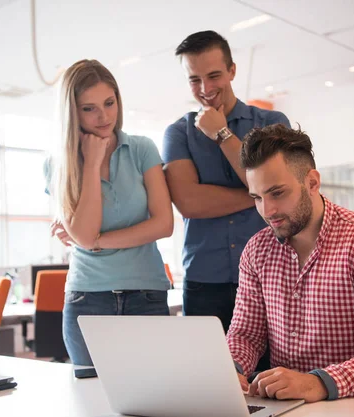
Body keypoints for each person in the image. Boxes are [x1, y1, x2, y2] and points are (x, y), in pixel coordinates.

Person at [227, 124, 354, 402]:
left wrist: (317, 383)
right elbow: (246, 335)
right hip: (288, 406)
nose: (267, 211)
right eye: (257, 197)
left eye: (277, 193)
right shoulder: (257, 250)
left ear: (312, 182)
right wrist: (231, 369)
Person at [162, 30, 291, 334]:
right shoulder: (177, 133)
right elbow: (189, 203)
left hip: (271, 276)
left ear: (232, 70)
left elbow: (281, 189)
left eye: (214, 75)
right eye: (194, 79)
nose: (205, 88)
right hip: (204, 281)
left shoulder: (272, 124)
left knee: (271, 378)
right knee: (206, 377)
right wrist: (259, 194)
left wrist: (222, 135)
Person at [50, 59, 174, 366]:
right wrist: (91, 163)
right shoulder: (58, 164)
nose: (104, 116)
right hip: (87, 298)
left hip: (147, 293)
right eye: (89, 108)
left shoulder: (142, 149)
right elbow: (82, 234)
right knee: (92, 404)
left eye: (109, 102)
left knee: (155, 398)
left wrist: (96, 241)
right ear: (72, 112)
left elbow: (163, 224)